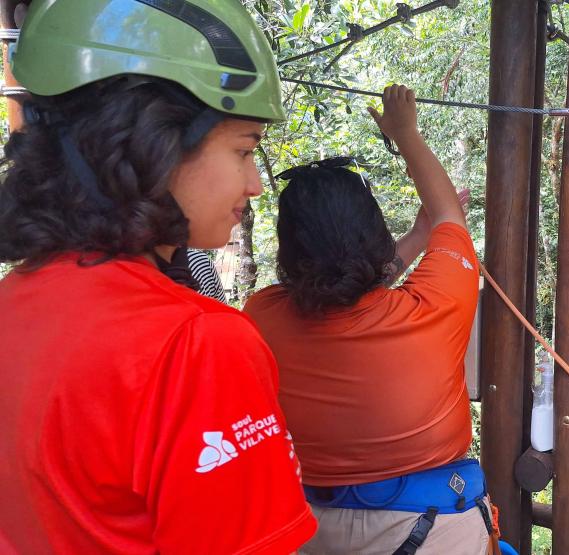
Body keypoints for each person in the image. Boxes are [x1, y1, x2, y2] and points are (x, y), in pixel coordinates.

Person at [0, 1, 317, 552]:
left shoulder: (13, 301)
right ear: (155, 143)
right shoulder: (196, 345)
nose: (255, 184)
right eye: (244, 150)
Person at [243, 85, 494, 555]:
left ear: (288, 248)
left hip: (311, 531)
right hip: (431, 531)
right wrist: (406, 133)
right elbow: (449, 215)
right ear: (374, 232)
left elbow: (342, 281)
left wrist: (419, 236)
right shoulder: (435, 307)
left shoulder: (262, 316)